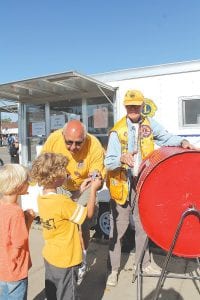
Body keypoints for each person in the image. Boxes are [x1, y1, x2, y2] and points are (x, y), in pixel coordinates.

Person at [105, 89, 196, 287]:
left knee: (143, 226)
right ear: (125, 107)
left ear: (141, 105)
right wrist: (121, 159)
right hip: (121, 184)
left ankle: (143, 264)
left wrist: (183, 142)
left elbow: (166, 138)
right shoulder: (116, 131)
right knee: (117, 231)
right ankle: (113, 270)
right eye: (129, 106)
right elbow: (108, 162)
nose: (133, 109)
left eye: (136, 105)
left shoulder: (149, 123)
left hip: (142, 183)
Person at [30, 152, 102, 300]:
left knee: (53, 292)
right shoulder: (62, 203)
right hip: (67, 260)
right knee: (68, 295)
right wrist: (93, 190)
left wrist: (80, 191)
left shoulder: (43, 197)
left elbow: (63, 209)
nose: (67, 172)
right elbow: (87, 215)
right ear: (55, 177)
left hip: (51, 257)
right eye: (63, 169)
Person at [41, 119, 105, 283]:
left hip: (84, 185)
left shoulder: (94, 145)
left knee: (82, 222)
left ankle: (82, 257)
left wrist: (93, 180)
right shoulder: (54, 139)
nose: (73, 148)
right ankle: (61, 255)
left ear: (85, 138)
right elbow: (44, 164)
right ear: (63, 135)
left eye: (78, 143)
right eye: (69, 143)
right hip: (61, 183)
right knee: (63, 224)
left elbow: (96, 177)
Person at [0, 164, 35, 299]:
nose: (29, 183)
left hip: (2, 269)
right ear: (18, 185)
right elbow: (20, 241)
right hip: (15, 271)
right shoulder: (16, 212)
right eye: (26, 180)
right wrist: (29, 221)